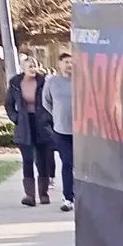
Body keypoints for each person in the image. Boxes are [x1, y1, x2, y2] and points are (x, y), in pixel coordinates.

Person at [4, 55, 56, 207]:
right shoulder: (15, 84)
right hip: (24, 125)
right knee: (27, 161)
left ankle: (43, 194)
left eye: (35, 66)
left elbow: (50, 100)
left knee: (42, 161)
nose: (33, 69)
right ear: (23, 69)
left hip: (41, 124)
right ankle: (30, 196)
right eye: (30, 67)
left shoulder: (43, 82)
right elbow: (8, 104)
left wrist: (48, 117)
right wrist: (16, 118)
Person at [43, 51, 76, 212]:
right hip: (62, 130)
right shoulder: (52, 82)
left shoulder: (82, 81)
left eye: (71, 62)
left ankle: (82, 195)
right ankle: (68, 198)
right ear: (60, 64)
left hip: (81, 132)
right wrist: (57, 116)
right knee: (67, 163)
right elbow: (46, 102)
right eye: (66, 62)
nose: (69, 65)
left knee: (83, 165)